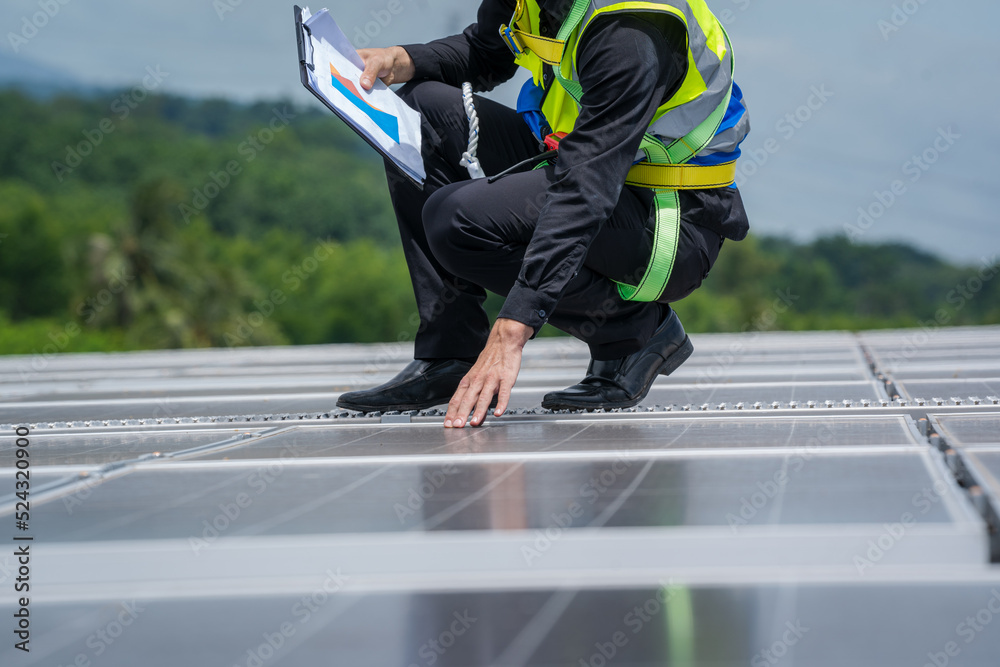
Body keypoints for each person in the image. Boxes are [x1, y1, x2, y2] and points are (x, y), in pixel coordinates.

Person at [337, 0, 750, 429]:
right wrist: (398, 59)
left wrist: (512, 328)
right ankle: (449, 353)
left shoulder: (633, 29)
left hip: (668, 221)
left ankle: (634, 333)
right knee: (421, 112)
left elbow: (585, 189)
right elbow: (486, 52)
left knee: (455, 220)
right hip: (585, 171)